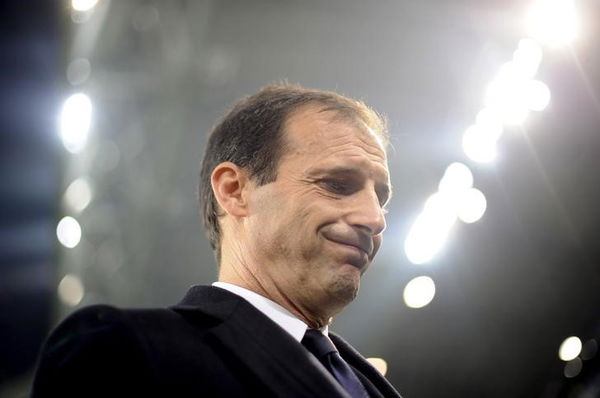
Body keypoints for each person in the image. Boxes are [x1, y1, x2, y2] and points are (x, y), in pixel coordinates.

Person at [31, 84, 402, 398]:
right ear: (234, 191)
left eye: (381, 198)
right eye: (337, 185)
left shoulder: (373, 386)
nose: (374, 219)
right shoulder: (121, 351)